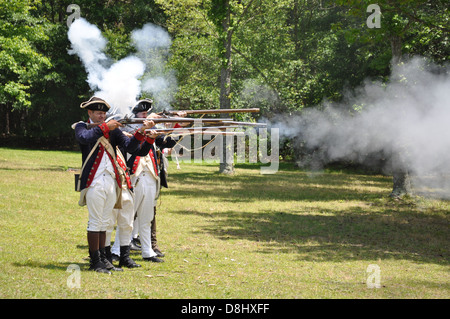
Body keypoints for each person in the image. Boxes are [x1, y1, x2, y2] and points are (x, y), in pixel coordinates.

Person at [74, 96, 154, 274]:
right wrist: (105, 127)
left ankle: (105, 260)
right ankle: (95, 262)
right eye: (98, 113)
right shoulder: (82, 126)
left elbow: (132, 148)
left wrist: (144, 133)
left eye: (103, 113)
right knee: (96, 222)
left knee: (105, 223)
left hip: (112, 181)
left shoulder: (113, 130)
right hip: (94, 181)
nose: (102, 116)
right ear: (90, 113)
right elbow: (84, 138)